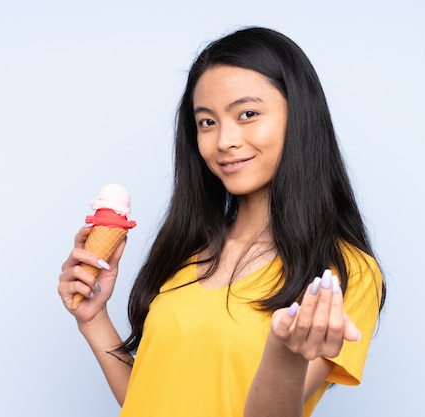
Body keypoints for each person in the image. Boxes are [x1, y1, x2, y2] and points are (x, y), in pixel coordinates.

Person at [58, 26, 386, 417]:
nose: (224, 140)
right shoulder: (185, 250)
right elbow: (149, 398)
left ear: (299, 117)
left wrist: (284, 353)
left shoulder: (342, 274)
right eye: (207, 122)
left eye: (247, 114)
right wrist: (94, 321)